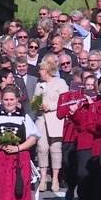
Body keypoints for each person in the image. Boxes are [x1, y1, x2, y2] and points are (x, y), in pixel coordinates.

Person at [69, 76, 101, 200]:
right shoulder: (91, 103)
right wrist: (77, 110)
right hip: (89, 142)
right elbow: (83, 124)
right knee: (85, 175)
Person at [33, 60, 69, 192]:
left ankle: (55, 178)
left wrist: (51, 107)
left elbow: (66, 101)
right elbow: (34, 104)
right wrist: (38, 104)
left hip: (56, 119)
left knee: (56, 148)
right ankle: (43, 178)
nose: (39, 72)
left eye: (41, 70)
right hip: (41, 119)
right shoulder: (39, 85)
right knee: (42, 148)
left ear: (47, 70)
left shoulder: (60, 83)